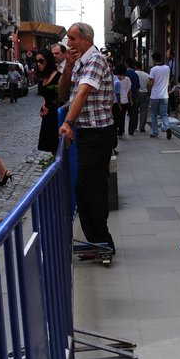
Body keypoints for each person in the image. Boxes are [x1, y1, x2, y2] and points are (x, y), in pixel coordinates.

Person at [58, 23, 116, 257]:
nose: (69, 43)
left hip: (98, 134)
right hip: (88, 133)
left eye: (72, 38)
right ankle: (99, 242)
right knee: (90, 188)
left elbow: (82, 93)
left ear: (86, 39)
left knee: (87, 189)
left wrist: (67, 123)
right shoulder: (79, 63)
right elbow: (64, 94)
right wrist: (68, 67)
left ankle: (101, 243)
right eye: (68, 39)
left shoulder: (95, 60)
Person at [36, 48, 61, 155]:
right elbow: (46, 98)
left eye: (41, 61)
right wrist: (42, 107)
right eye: (37, 61)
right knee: (53, 150)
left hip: (57, 117)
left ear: (48, 61)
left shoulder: (59, 77)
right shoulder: (43, 77)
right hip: (47, 118)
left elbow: (64, 98)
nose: (38, 64)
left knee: (59, 150)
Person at [148, 51, 172, 138]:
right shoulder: (167, 68)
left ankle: (155, 132)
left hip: (155, 95)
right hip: (164, 95)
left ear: (154, 59)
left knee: (154, 114)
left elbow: (151, 83)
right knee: (164, 114)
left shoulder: (153, 69)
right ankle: (167, 127)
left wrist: (148, 87)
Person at [114, 64, 132, 136]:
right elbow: (129, 90)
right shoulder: (127, 79)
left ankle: (116, 129)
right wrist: (130, 100)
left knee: (115, 117)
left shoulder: (114, 78)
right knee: (122, 116)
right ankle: (121, 130)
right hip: (125, 101)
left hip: (115, 101)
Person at [124, 57, 140, 135]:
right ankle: (131, 130)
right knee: (133, 114)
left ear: (126, 64)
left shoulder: (124, 73)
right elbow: (137, 86)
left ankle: (121, 129)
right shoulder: (135, 74)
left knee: (121, 114)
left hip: (123, 96)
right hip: (133, 95)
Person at [134, 60, 150, 132]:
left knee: (134, 111)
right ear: (142, 67)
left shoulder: (134, 73)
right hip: (145, 93)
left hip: (137, 94)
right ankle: (142, 127)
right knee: (144, 111)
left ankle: (134, 126)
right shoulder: (147, 75)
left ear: (135, 67)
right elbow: (149, 85)